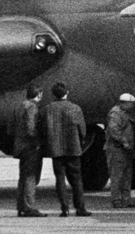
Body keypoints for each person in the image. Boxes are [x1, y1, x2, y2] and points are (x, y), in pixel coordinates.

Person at [44, 82, 90, 217]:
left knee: (60, 178)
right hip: (73, 147)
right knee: (76, 179)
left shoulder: (47, 109)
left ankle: (64, 208)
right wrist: (81, 140)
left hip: (56, 149)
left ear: (53, 94)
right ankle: (80, 208)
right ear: (67, 92)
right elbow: (82, 129)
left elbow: (43, 128)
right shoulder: (75, 108)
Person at [14, 86, 46, 217]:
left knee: (23, 176)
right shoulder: (32, 107)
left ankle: (21, 206)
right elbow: (30, 128)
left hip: (20, 146)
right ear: (38, 94)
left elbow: (11, 128)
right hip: (30, 147)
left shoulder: (18, 106)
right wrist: (36, 142)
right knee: (31, 177)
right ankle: (29, 207)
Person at [105, 93, 135, 209]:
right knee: (117, 176)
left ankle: (126, 200)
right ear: (124, 103)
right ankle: (116, 200)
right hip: (117, 149)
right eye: (131, 104)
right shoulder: (115, 113)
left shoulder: (125, 113)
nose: (132, 106)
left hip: (126, 150)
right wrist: (124, 141)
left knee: (127, 176)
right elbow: (113, 130)